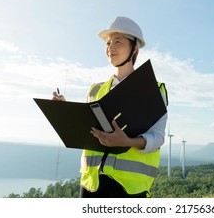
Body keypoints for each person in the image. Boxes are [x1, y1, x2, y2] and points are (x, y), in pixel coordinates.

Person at [52, 16, 168, 198]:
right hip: (91, 184)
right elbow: (86, 130)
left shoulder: (152, 90)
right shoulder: (95, 90)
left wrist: (127, 142)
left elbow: (157, 137)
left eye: (118, 42)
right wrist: (65, 111)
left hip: (128, 189)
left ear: (134, 49)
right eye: (108, 43)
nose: (110, 48)